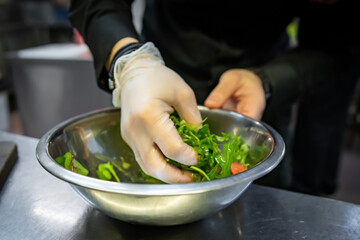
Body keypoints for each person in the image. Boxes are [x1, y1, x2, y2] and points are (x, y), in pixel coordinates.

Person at [68, 0, 359, 193]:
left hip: (258, 100)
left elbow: (338, 41)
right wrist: (130, 62)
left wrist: (268, 80)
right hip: (156, 81)